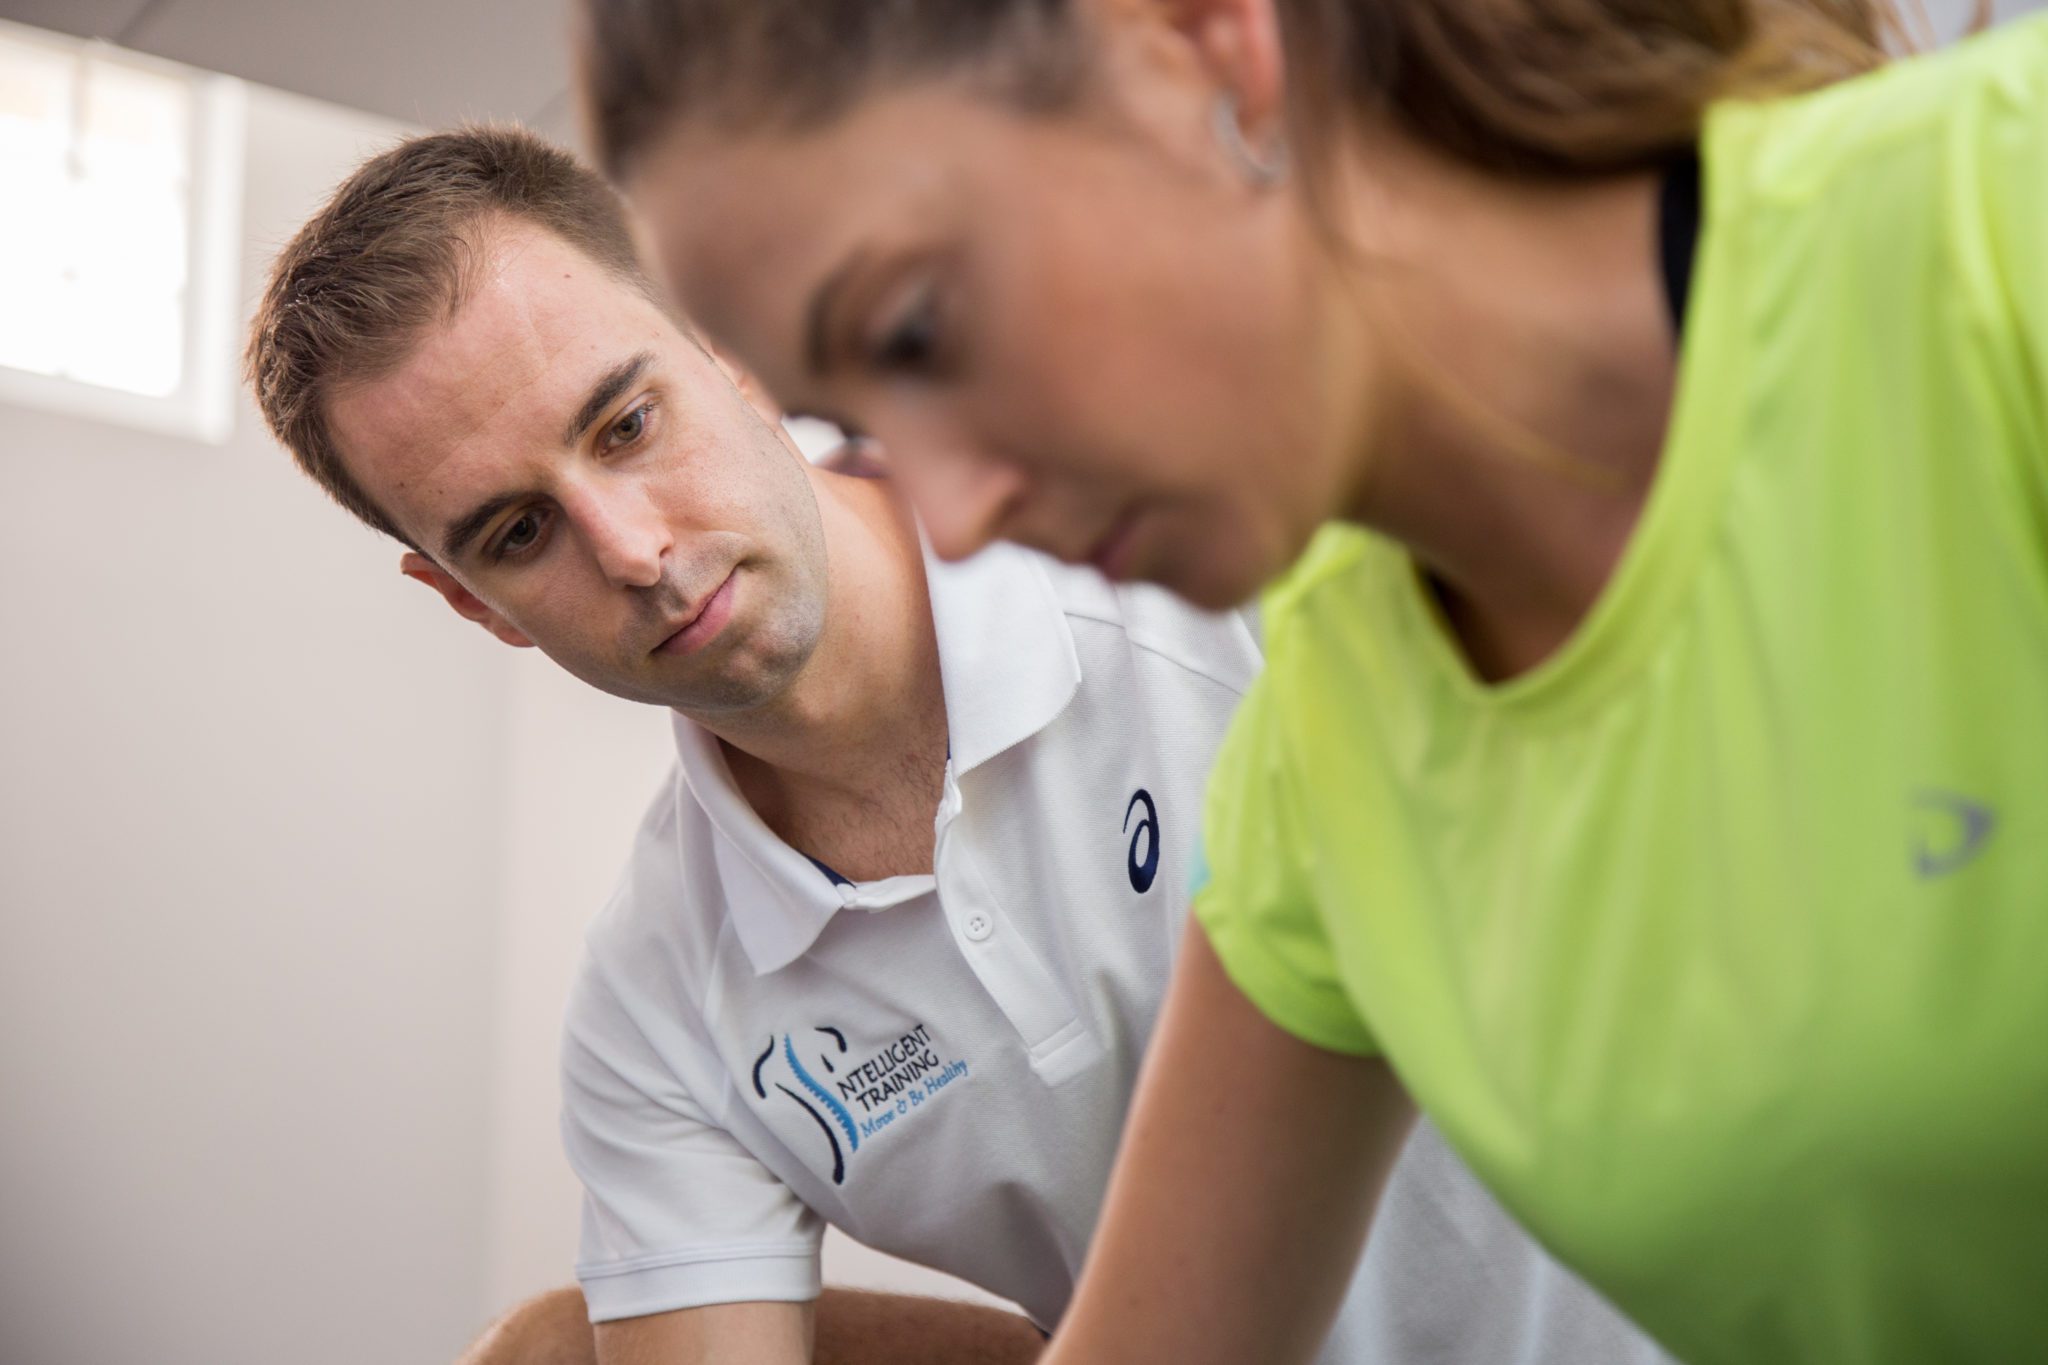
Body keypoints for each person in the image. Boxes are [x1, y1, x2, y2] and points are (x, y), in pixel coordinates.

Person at [575, 0, 2048, 1361]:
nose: (950, 511)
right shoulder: (1335, 745)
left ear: (1202, 42)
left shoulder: (1993, 227)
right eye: (855, 412)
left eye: (920, 331)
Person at [245, 128, 1673, 1365]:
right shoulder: (659, 1013)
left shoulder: (1195, 554)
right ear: (465, 599)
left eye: (626, 422)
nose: (635, 550)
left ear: (728, 346)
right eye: (517, 532)